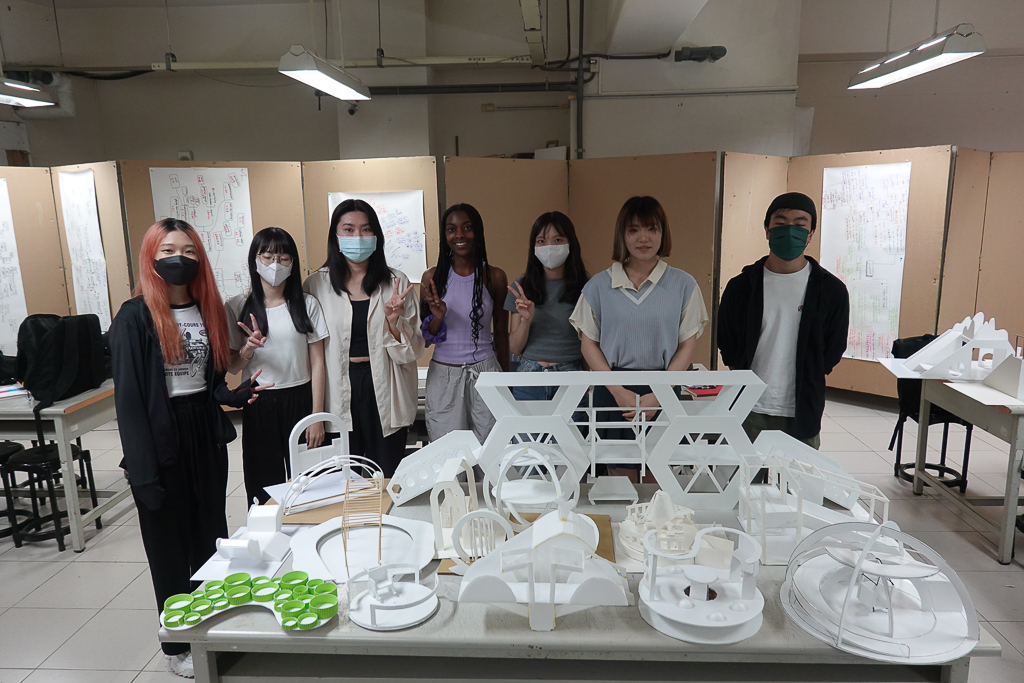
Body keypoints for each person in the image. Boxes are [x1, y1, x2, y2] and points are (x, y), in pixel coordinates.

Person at [109, 218, 271, 678]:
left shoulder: (207, 309)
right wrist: (142, 473)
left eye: (188, 251)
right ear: (151, 257)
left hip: (203, 433)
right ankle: (178, 644)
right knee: (168, 546)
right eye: (167, 251)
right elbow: (129, 401)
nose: (178, 258)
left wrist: (235, 394)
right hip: (159, 437)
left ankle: (211, 630)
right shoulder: (134, 317)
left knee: (208, 533)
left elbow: (211, 381)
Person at [570, 196, 708, 480]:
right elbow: (588, 343)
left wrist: (659, 395)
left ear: (663, 233)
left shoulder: (684, 284)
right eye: (633, 230)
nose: (643, 238)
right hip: (613, 389)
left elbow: (687, 345)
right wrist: (618, 392)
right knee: (619, 482)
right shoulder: (598, 286)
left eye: (651, 229)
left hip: (664, 387)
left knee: (658, 480)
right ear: (622, 235)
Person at [717, 191, 850, 449]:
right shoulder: (741, 287)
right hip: (748, 407)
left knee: (798, 474)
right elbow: (727, 341)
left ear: (811, 233)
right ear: (767, 230)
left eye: (799, 224)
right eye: (780, 223)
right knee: (743, 472)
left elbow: (833, 348)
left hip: (802, 407)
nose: (790, 231)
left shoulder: (831, 290)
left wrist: (811, 372)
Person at [303, 199, 422, 478]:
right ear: (336, 236)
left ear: (376, 236)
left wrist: (393, 322)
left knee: (387, 473)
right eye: (349, 229)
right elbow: (310, 353)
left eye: (366, 229)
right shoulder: (316, 284)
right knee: (344, 475)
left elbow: (413, 350)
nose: (358, 237)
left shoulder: (396, 283)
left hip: (385, 383)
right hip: (338, 385)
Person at [225, 227, 328, 504]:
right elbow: (233, 367)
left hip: (301, 399)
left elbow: (318, 363)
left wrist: (316, 416)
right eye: (267, 257)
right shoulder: (237, 306)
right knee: (263, 486)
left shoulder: (307, 304)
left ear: (292, 263)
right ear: (254, 261)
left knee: (308, 486)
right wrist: (248, 349)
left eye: (283, 258)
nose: (275, 264)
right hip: (259, 402)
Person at [421, 203, 510, 443]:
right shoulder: (432, 277)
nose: (459, 235)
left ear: (478, 232)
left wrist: (506, 381)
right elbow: (426, 339)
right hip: (444, 375)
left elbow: (502, 334)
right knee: (448, 452)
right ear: (445, 235)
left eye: (467, 227)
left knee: (490, 448)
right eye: (452, 229)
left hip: (486, 372)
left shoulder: (494, 276)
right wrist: (438, 318)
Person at [504, 211, 589, 400]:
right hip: (529, 376)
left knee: (575, 422)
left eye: (558, 240)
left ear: (570, 243)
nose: (549, 247)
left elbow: (590, 344)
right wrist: (526, 320)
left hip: (571, 375)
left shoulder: (587, 287)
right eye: (541, 241)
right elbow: (515, 348)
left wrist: (589, 381)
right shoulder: (521, 287)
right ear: (533, 246)